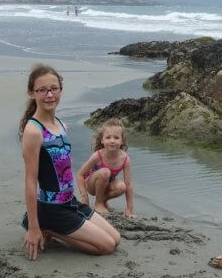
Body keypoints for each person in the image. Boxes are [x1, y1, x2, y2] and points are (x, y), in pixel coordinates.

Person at [19, 64, 121, 259]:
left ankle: (50, 226)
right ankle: (47, 228)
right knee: (107, 246)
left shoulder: (61, 124)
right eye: (42, 90)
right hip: (51, 209)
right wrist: (34, 228)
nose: (49, 95)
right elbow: (30, 182)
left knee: (115, 238)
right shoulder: (34, 131)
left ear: (60, 90)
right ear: (32, 93)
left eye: (54, 89)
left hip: (69, 202)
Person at [76, 118, 135, 217]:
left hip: (106, 185)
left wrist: (129, 209)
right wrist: (85, 197)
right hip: (91, 184)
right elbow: (80, 175)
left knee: (122, 186)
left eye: (116, 138)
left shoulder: (125, 159)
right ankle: (98, 203)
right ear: (102, 140)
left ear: (122, 141)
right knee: (105, 172)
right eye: (108, 137)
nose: (112, 141)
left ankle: (102, 201)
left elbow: (129, 185)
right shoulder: (98, 155)